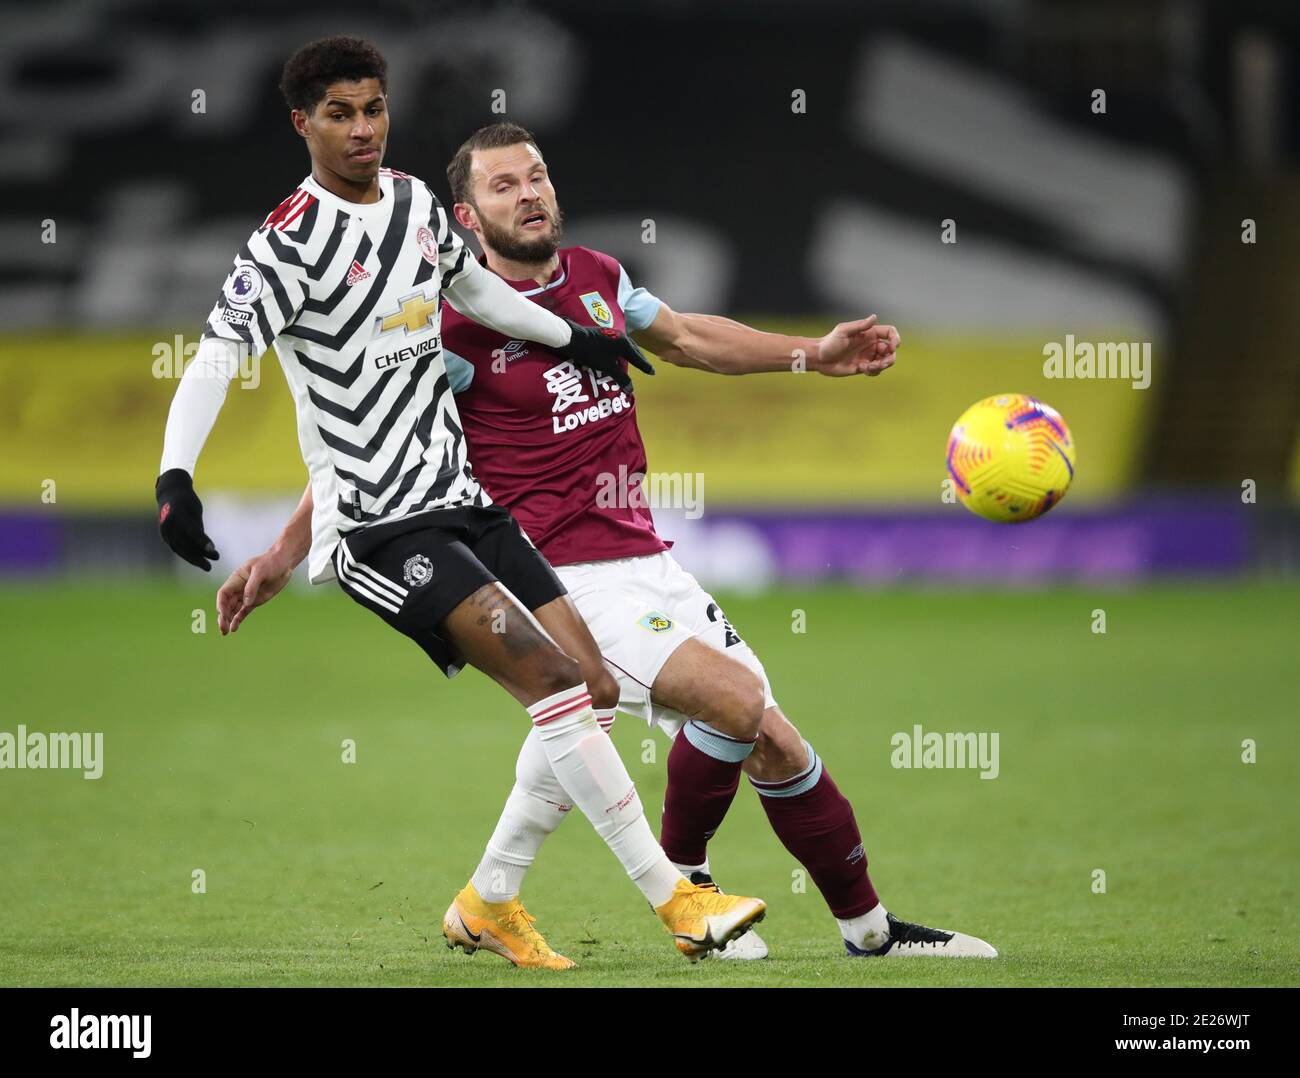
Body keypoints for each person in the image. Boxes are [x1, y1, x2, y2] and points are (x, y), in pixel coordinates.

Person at [221, 121, 996, 966]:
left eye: (537, 176)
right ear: (466, 217)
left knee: (765, 738)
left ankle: (869, 934)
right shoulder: (445, 323)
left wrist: (813, 354)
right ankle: (687, 894)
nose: (531, 194)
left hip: (649, 561)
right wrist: (285, 552)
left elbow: (690, 339)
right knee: (731, 703)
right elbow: (358, 443)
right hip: (558, 579)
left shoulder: (597, 278)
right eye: (505, 186)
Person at [157, 38, 765, 967]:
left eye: (373, 109)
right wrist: (175, 477)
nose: (362, 129)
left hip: (466, 505)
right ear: (301, 124)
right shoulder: (284, 246)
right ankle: (677, 901)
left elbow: (476, 289)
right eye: (339, 114)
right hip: (378, 528)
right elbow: (213, 360)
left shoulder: (408, 203)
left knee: (595, 687)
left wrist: (576, 338)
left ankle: (490, 903)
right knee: (557, 687)